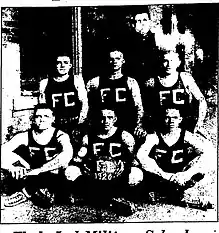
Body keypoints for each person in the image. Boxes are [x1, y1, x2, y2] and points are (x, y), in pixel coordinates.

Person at [65, 108, 144, 216]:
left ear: (115, 119)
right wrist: (85, 166)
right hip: (95, 176)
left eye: (110, 117)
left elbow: (133, 159)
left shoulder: (125, 136)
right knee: (70, 171)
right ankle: (111, 201)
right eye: (102, 118)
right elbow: (79, 158)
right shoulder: (88, 137)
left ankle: (98, 199)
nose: (106, 121)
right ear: (97, 119)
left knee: (136, 174)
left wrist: (122, 167)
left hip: (117, 176)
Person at [136, 106, 216, 210]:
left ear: (180, 119)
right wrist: (165, 175)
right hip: (160, 176)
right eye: (167, 117)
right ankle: (172, 195)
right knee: (145, 172)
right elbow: (140, 155)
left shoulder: (186, 135)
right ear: (163, 119)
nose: (171, 121)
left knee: (201, 169)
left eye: (174, 117)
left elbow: (207, 152)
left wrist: (186, 174)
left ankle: (170, 195)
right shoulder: (154, 136)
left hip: (179, 176)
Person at [1, 104, 74, 208]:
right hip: (31, 175)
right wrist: (11, 167)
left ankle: (27, 193)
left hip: (54, 175)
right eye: (38, 116)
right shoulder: (25, 136)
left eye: (46, 116)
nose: (42, 120)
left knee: (66, 171)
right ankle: (36, 193)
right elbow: (3, 151)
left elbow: (67, 154)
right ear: (33, 119)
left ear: (53, 119)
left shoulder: (60, 135)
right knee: (13, 161)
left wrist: (40, 170)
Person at [144, 49, 207, 134]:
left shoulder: (185, 78)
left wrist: (199, 122)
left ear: (178, 62)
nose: (169, 64)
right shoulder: (152, 82)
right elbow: (146, 108)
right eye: (165, 61)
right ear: (161, 62)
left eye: (172, 60)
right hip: (162, 127)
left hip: (184, 126)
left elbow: (201, 100)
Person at [87, 49, 145, 139]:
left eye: (117, 59)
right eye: (111, 59)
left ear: (123, 61)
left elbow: (138, 107)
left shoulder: (131, 82)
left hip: (126, 126)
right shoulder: (95, 82)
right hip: (103, 127)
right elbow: (88, 107)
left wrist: (139, 125)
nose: (114, 62)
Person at [39, 52, 88, 140]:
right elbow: (42, 108)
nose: (62, 66)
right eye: (59, 63)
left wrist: (80, 123)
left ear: (70, 65)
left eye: (65, 62)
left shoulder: (76, 80)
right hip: (54, 125)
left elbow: (84, 104)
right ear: (54, 65)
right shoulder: (45, 83)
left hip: (74, 123)